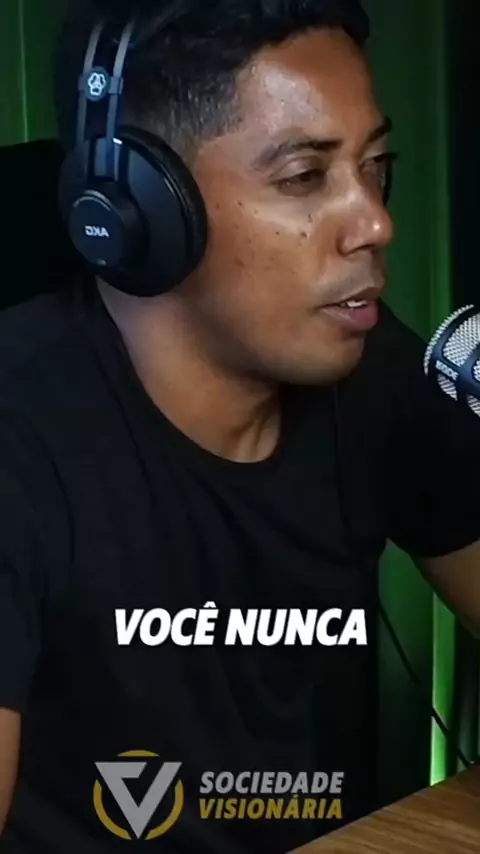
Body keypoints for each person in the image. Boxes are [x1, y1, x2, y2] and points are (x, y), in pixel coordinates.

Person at [0, 1, 479, 852]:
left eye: (377, 166)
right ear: (138, 204)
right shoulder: (18, 433)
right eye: (304, 176)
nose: (376, 222)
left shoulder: (373, 370)